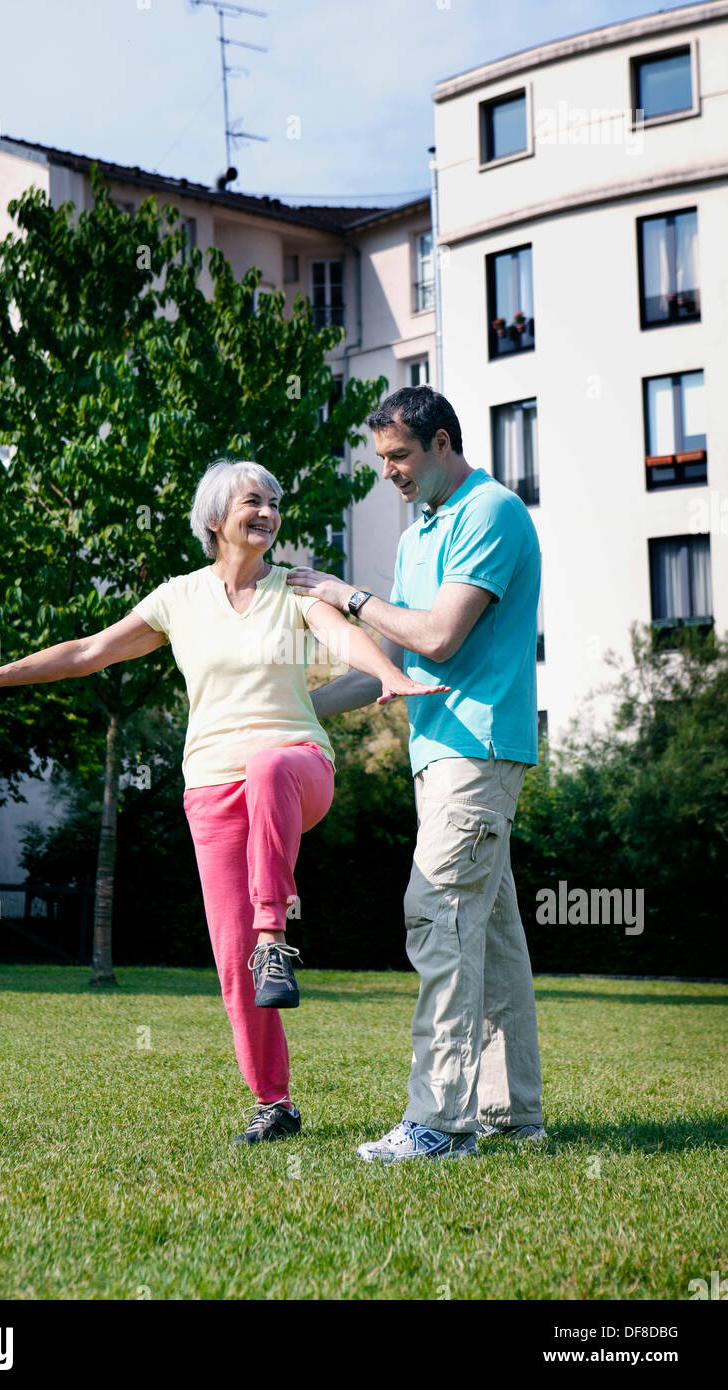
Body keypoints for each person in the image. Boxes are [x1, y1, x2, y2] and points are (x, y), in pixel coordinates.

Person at [0, 458, 444, 1146]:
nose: (269, 513)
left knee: (268, 768)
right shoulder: (179, 599)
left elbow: (342, 634)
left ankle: (275, 937)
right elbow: (89, 652)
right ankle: (274, 1102)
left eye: (275, 503)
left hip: (297, 768)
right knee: (230, 956)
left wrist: (386, 674)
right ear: (216, 518)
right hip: (210, 789)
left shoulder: (296, 588)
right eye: (255, 501)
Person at [287, 386, 546, 1162]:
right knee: (490, 940)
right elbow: (385, 672)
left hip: (478, 749)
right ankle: (511, 1117)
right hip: (437, 757)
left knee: (437, 918)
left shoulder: (491, 512)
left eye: (399, 456)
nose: (389, 473)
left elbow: (436, 636)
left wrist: (346, 595)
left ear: (441, 443)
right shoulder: (417, 535)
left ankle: (438, 1125)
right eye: (382, 460)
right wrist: (294, 712)